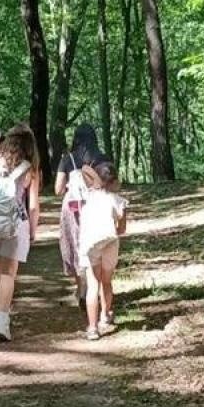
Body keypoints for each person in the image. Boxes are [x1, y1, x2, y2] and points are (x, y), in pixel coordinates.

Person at [0, 122, 41, 342]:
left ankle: (0, 313)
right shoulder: (29, 168)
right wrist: (32, 230)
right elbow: (33, 205)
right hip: (15, 223)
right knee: (8, 273)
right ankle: (2, 322)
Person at [53, 123, 105, 307]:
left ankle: (81, 288)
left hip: (72, 207)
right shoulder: (101, 158)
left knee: (74, 244)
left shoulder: (68, 159)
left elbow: (58, 189)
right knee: (94, 245)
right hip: (96, 204)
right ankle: (95, 287)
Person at [78, 161, 128, 340]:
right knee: (106, 281)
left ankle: (92, 328)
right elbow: (122, 229)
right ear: (114, 181)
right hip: (110, 242)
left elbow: (84, 170)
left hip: (91, 243)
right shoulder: (118, 200)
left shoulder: (89, 197)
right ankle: (105, 316)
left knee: (93, 284)